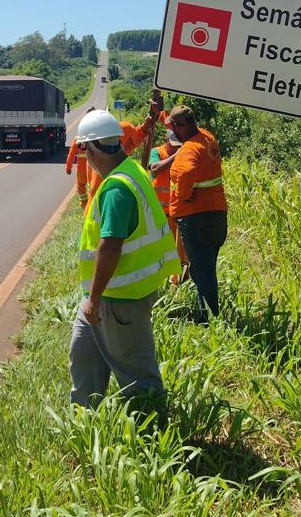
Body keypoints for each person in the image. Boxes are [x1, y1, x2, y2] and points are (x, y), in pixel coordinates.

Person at [68, 109, 181, 408]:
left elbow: (110, 246)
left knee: (137, 375)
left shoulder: (117, 188)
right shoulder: (131, 170)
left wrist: (93, 298)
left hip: (119, 298)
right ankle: (85, 421)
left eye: (83, 149)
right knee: (83, 356)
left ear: (91, 149)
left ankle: (152, 429)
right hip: (107, 293)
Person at [167, 105, 227, 322]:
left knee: (202, 271)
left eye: (174, 128)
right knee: (205, 267)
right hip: (217, 214)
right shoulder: (208, 137)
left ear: (180, 126)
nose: (173, 133)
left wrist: (184, 196)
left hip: (196, 218)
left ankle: (210, 319)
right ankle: (206, 313)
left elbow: (186, 173)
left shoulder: (190, 149)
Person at [148, 129, 189, 285]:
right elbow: (155, 169)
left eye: (179, 146)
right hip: (157, 214)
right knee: (157, 251)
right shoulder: (157, 152)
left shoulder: (181, 155)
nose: (176, 148)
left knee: (176, 252)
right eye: (173, 145)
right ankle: (157, 282)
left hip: (175, 213)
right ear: (166, 141)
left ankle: (175, 283)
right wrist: (175, 156)